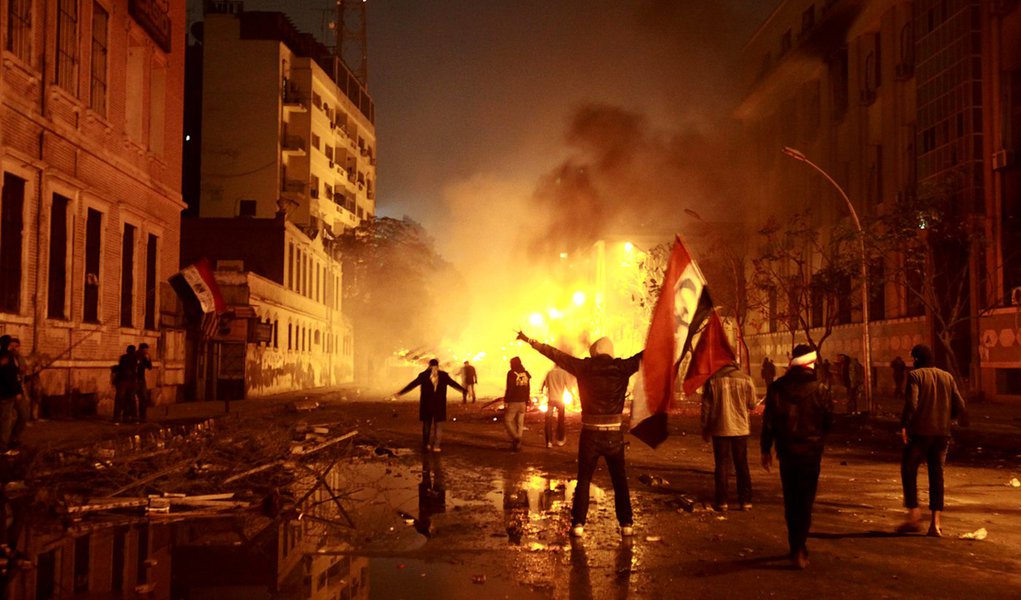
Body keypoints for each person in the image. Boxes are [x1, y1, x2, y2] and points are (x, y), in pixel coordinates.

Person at [517, 331, 642, 539]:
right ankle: (626, 523)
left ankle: (578, 524)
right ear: (610, 352)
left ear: (594, 353)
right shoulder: (623, 367)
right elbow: (647, 355)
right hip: (613, 434)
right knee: (619, 480)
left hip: (590, 434)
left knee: (584, 479)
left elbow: (555, 355)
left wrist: (531, 341)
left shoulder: (584, 367)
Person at [761, 343, 833, 569]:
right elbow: (829, 422)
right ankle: (801, 546)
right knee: (806, 501)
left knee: (791, 500)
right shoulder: (821, 388)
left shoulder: (777, 387)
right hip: (811, 454)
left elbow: (768, 422)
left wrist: (766, 449)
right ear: (812, 363)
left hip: (787, 451)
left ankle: (795, 545)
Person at [897, 344, 967, 538]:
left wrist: (905, 426)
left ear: (917, 359)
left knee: (909, 469)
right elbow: (960, 405)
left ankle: (914, 516)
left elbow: (912, 404)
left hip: (920, 432)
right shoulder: (947, 376)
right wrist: (948, 419)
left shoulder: (915, 376)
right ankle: (935, 524)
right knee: (937, 475)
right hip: (942, 434)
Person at [701, 361, 757, 512]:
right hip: (740, 428)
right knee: (742, 465)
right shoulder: (746, 379)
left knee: (721, 465)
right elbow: (752, 404)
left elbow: (706, 407)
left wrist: (705, 428)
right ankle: (745, 501)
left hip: (720, 428)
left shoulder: (712, 380)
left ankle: (722, 502)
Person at [397, 359, 465, 453]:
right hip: (439, 404)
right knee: (438, 426)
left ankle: (426, 445)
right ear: (438, 365)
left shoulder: (423, 375)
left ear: (429, 365)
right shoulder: (443, 375)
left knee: (426, 425)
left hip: (426, 404)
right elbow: (453, 384)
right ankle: (436, 446)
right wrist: (464, 390)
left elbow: (412, 385)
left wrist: (400, 393)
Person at [542, 365, 576, 448]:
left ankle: (549, 442)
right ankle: (560, 439)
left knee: (548, 420)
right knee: (561, 419)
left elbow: (544, 386)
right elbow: (569, 387)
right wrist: (574, 398)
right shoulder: (563, 373)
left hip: (551, 400)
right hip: (560, 400)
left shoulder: (549, 373)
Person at [503, 357, 532, 451]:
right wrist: (527, 401)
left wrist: (506, 400)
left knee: (507, 420)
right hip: (523, 401)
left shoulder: (511, 373)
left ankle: (516, 438)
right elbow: (528, 388)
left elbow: (510, 388)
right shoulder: (526, 373)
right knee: (520, 423)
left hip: (514, 401)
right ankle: (517, 446)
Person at [0, 336, 22, 452]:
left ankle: (8, 441)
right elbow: (10, 376)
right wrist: (17, 391)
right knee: (6, 420)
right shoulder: (7, 357)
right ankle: (3, 446)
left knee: (9, 417)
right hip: (7, 393)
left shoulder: (6, 356)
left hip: (6, 392)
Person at [5, 338, 29, 446]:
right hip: (8, 393)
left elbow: (22, 376)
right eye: (12, 346)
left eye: (17, 346)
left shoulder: (21, 359)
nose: (15, 349)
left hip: (19, 391)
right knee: (6, 418)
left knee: (24, 415)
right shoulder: (5, 358)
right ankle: (4, 441)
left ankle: (14, 437)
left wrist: (27, 377)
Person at [113, 345, 139, 423]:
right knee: (131, 400)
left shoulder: (123, 358)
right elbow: (135, 370)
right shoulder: (135, 358)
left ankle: (117, 418)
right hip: (130, 381)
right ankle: (132, 418)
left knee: (120, 399)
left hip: (122, 381)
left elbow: (120, 368)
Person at [135, 343, 153, 423]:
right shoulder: (135, 355)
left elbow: (149, 367)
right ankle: (134, 417)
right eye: (145, 349)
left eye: (147, 350)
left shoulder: (145, 356)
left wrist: (148, 359)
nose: (146, 351)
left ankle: (142, 417)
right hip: (134, 380)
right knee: (133, 398)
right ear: (141, 349)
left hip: (141, 379)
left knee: (143, 398)